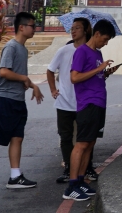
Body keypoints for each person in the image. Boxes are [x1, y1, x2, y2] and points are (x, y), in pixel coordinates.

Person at [0, 11, 44, 193]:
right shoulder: (11, 47)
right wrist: (25, 79)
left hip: (17, 101)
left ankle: (15, 176)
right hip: (4, 100)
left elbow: (21, 77)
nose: (35, 29)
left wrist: (31, 84)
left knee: (17, 138)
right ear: (22, 27)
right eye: (32, 26)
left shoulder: (23, 49)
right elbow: (4, 72)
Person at [65, 19, 118, 202]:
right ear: (96, 34)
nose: (105, 42)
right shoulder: (81, 52)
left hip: (99, 102)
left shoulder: (98, 53)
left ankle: (80, 180)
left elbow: (96, 76)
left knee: (90, 144)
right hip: (88, 103)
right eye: (104, 39)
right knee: (81, 143)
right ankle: (71, 185)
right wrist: (98, 68)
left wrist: (105, 72)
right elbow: (74, 77)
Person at [45, 17, 90, 185]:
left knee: (84, 138)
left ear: (85, 30)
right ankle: (68, 169)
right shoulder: (64, 50)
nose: (73, 30)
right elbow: (50, 71)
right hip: (64, 102)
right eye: (72, 28)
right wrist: (53, 90)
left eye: (77, 28)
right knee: (65, 137)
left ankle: (84, 169)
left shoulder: (90, 51)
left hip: (84, 102)